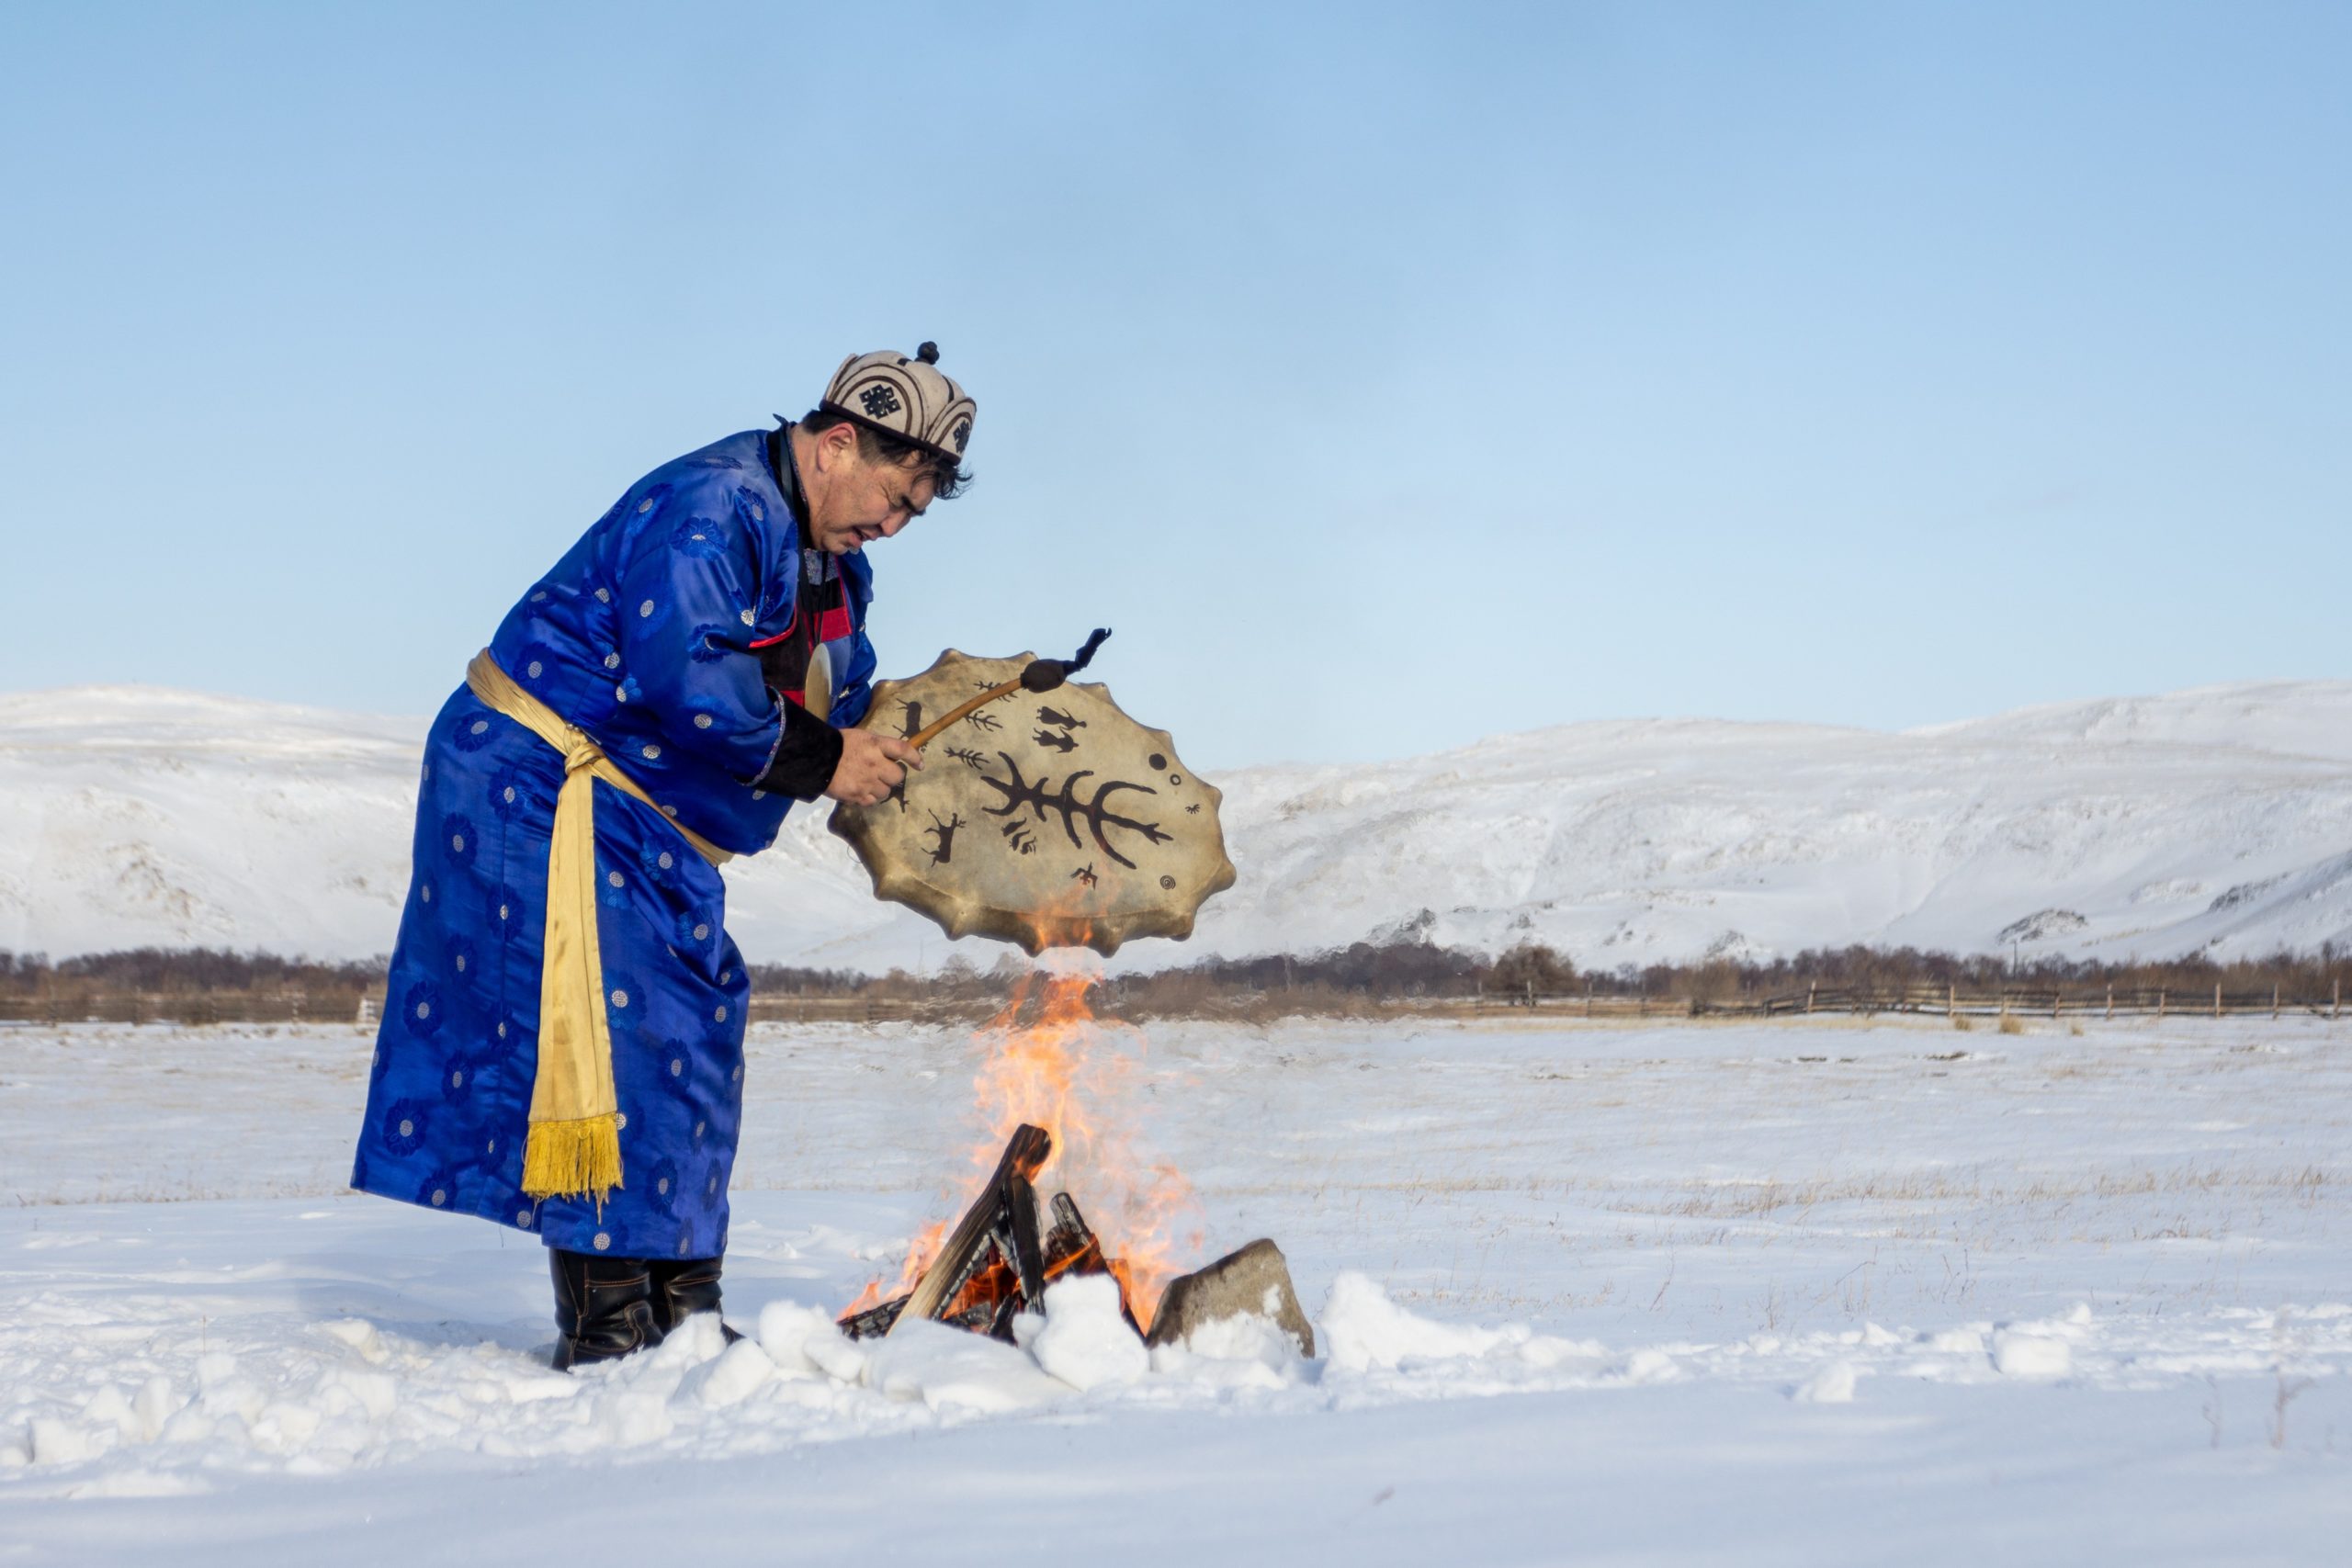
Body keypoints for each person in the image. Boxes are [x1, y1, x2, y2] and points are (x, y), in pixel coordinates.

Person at [351, 345, 974, 1368]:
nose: (893, 525)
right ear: (835, 444)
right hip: (549, 786)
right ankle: (608, 1332)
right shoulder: (713, 505)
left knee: (692, 1029)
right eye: (891, 495)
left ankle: (679, 1319)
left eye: (915, 512)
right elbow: (685, 673)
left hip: (647, 820)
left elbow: (839, 691)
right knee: (607, 1034)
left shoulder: (835, 568)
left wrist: (927, 735)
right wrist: (824, 760)